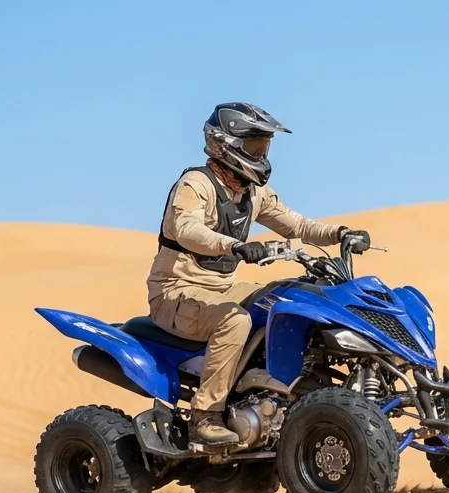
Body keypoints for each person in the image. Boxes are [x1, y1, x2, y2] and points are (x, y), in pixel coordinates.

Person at [149, 101, 372, 447]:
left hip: (223, 289)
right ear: (226, 145)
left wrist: (340, 233)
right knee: (235, 321)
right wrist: (234, 246)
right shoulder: (196, 184)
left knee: (285, 301)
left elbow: (296, 224)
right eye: (253, 146)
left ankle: (281, 395)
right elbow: (186, 229)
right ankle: (205, 416)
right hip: (176, 292)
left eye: (263, 147)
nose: (260, 154)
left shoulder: (253, 192)